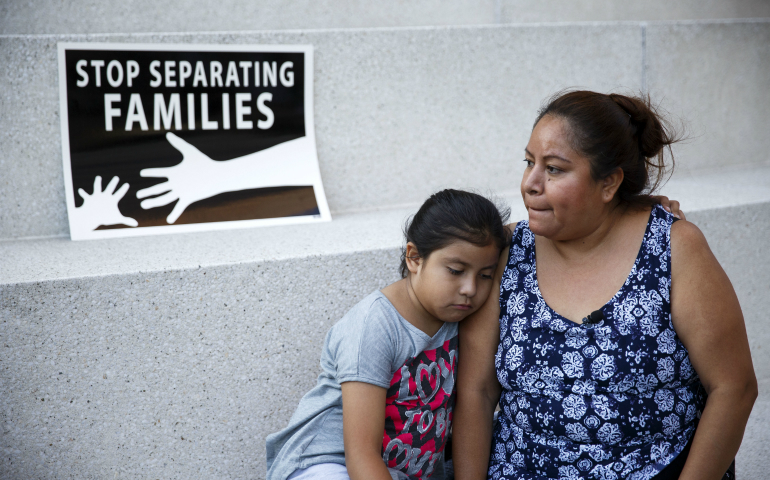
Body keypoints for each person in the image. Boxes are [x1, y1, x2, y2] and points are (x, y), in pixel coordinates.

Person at [452, 91, 757, 480]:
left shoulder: (673, 247)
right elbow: (477, 393)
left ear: (610, 183)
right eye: (529, 162)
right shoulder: (508, 252)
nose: (530, 183)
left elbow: (734, 387)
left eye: (555, 169)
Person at [265, 189, 511, 480]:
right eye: (456, 271)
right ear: (414, 258)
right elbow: (361, 453)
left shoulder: (461, 318)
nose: (470, 288)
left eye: (485, 275)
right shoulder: (375, 326)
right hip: (329, 464)